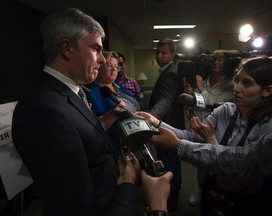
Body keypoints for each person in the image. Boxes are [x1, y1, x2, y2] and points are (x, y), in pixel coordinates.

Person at [11, 7, 172, 216]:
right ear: (67, 48)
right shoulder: (44, 110)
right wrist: (126, 184)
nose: (103, 60)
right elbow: (78, 207)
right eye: (96, 49)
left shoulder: (72, 92)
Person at [137, 56, 272, 216]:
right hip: (213, 191)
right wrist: (156, 122)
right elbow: (189, 135)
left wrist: (205, 141)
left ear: (267, 90)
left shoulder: (267, 126)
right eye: (237, 80)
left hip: (248, 202)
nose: (236, 88)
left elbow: (241, 164)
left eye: (247, 83)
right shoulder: (225, 111)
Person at [184, 49, 238, 206]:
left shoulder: (231, 82)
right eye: (214, 60)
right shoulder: (207, 78)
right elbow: (200, 102)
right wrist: (192, 93)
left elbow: (216, 103)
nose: (216, 62)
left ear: (226, 64)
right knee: (201, 160)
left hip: (219, 127)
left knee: (216, 159)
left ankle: (219, 192)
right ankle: (201, 190)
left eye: (220, 60)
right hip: (200, 122)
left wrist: (200, 88)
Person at [148, 37, 185, 213]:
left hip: (166, 127)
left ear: (173, 54)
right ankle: (173, 196)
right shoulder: (169, 70)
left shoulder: (170, 73)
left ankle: (170, 203)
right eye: (158, 52)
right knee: (172, 163)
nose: (159, 55)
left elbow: (165, 100)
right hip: (170, 124)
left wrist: (150, 118)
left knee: (169, 166)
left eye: (164, 52)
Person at [86, 51, 141, 157]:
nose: (114, 69)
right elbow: (93, 128)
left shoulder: (118, 86)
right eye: (109, 65)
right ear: (99, 66)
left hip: (137, 139)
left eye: (116, 66)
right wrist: (116, 112)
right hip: (115, 148)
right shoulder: (91, 92)